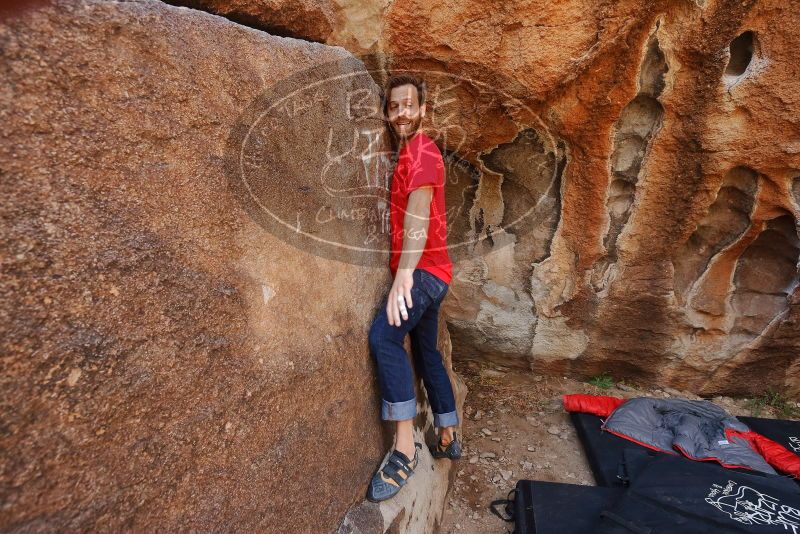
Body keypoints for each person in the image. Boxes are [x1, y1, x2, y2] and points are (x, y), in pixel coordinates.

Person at [366, 74, 461, 503]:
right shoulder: (412, 151)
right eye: (394, 106)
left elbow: (419, 218)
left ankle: (404, 450)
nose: (401, 113)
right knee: (426, 352)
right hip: (438, 274)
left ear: (423, 110)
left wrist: (404, 274)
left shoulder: (422, 150)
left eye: (409, 105)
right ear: (388, 113)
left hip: (422, 272)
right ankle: (447, 429)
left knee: (385, 337)